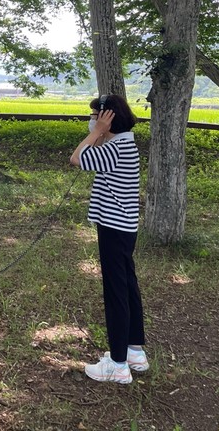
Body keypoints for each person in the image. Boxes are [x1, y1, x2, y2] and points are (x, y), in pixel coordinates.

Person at [69, 94, 148, 384]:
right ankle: (133, 351)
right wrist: (102, 134)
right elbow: (93, 156)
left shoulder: (115, 146)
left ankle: (117, 364)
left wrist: (98, 132)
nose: (91, 120)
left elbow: (76, 158)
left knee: (116, 293)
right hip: (124, 226)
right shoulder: (124, 142)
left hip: (114, 227)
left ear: (107, 116)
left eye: (94, 115)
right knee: (127, 285)